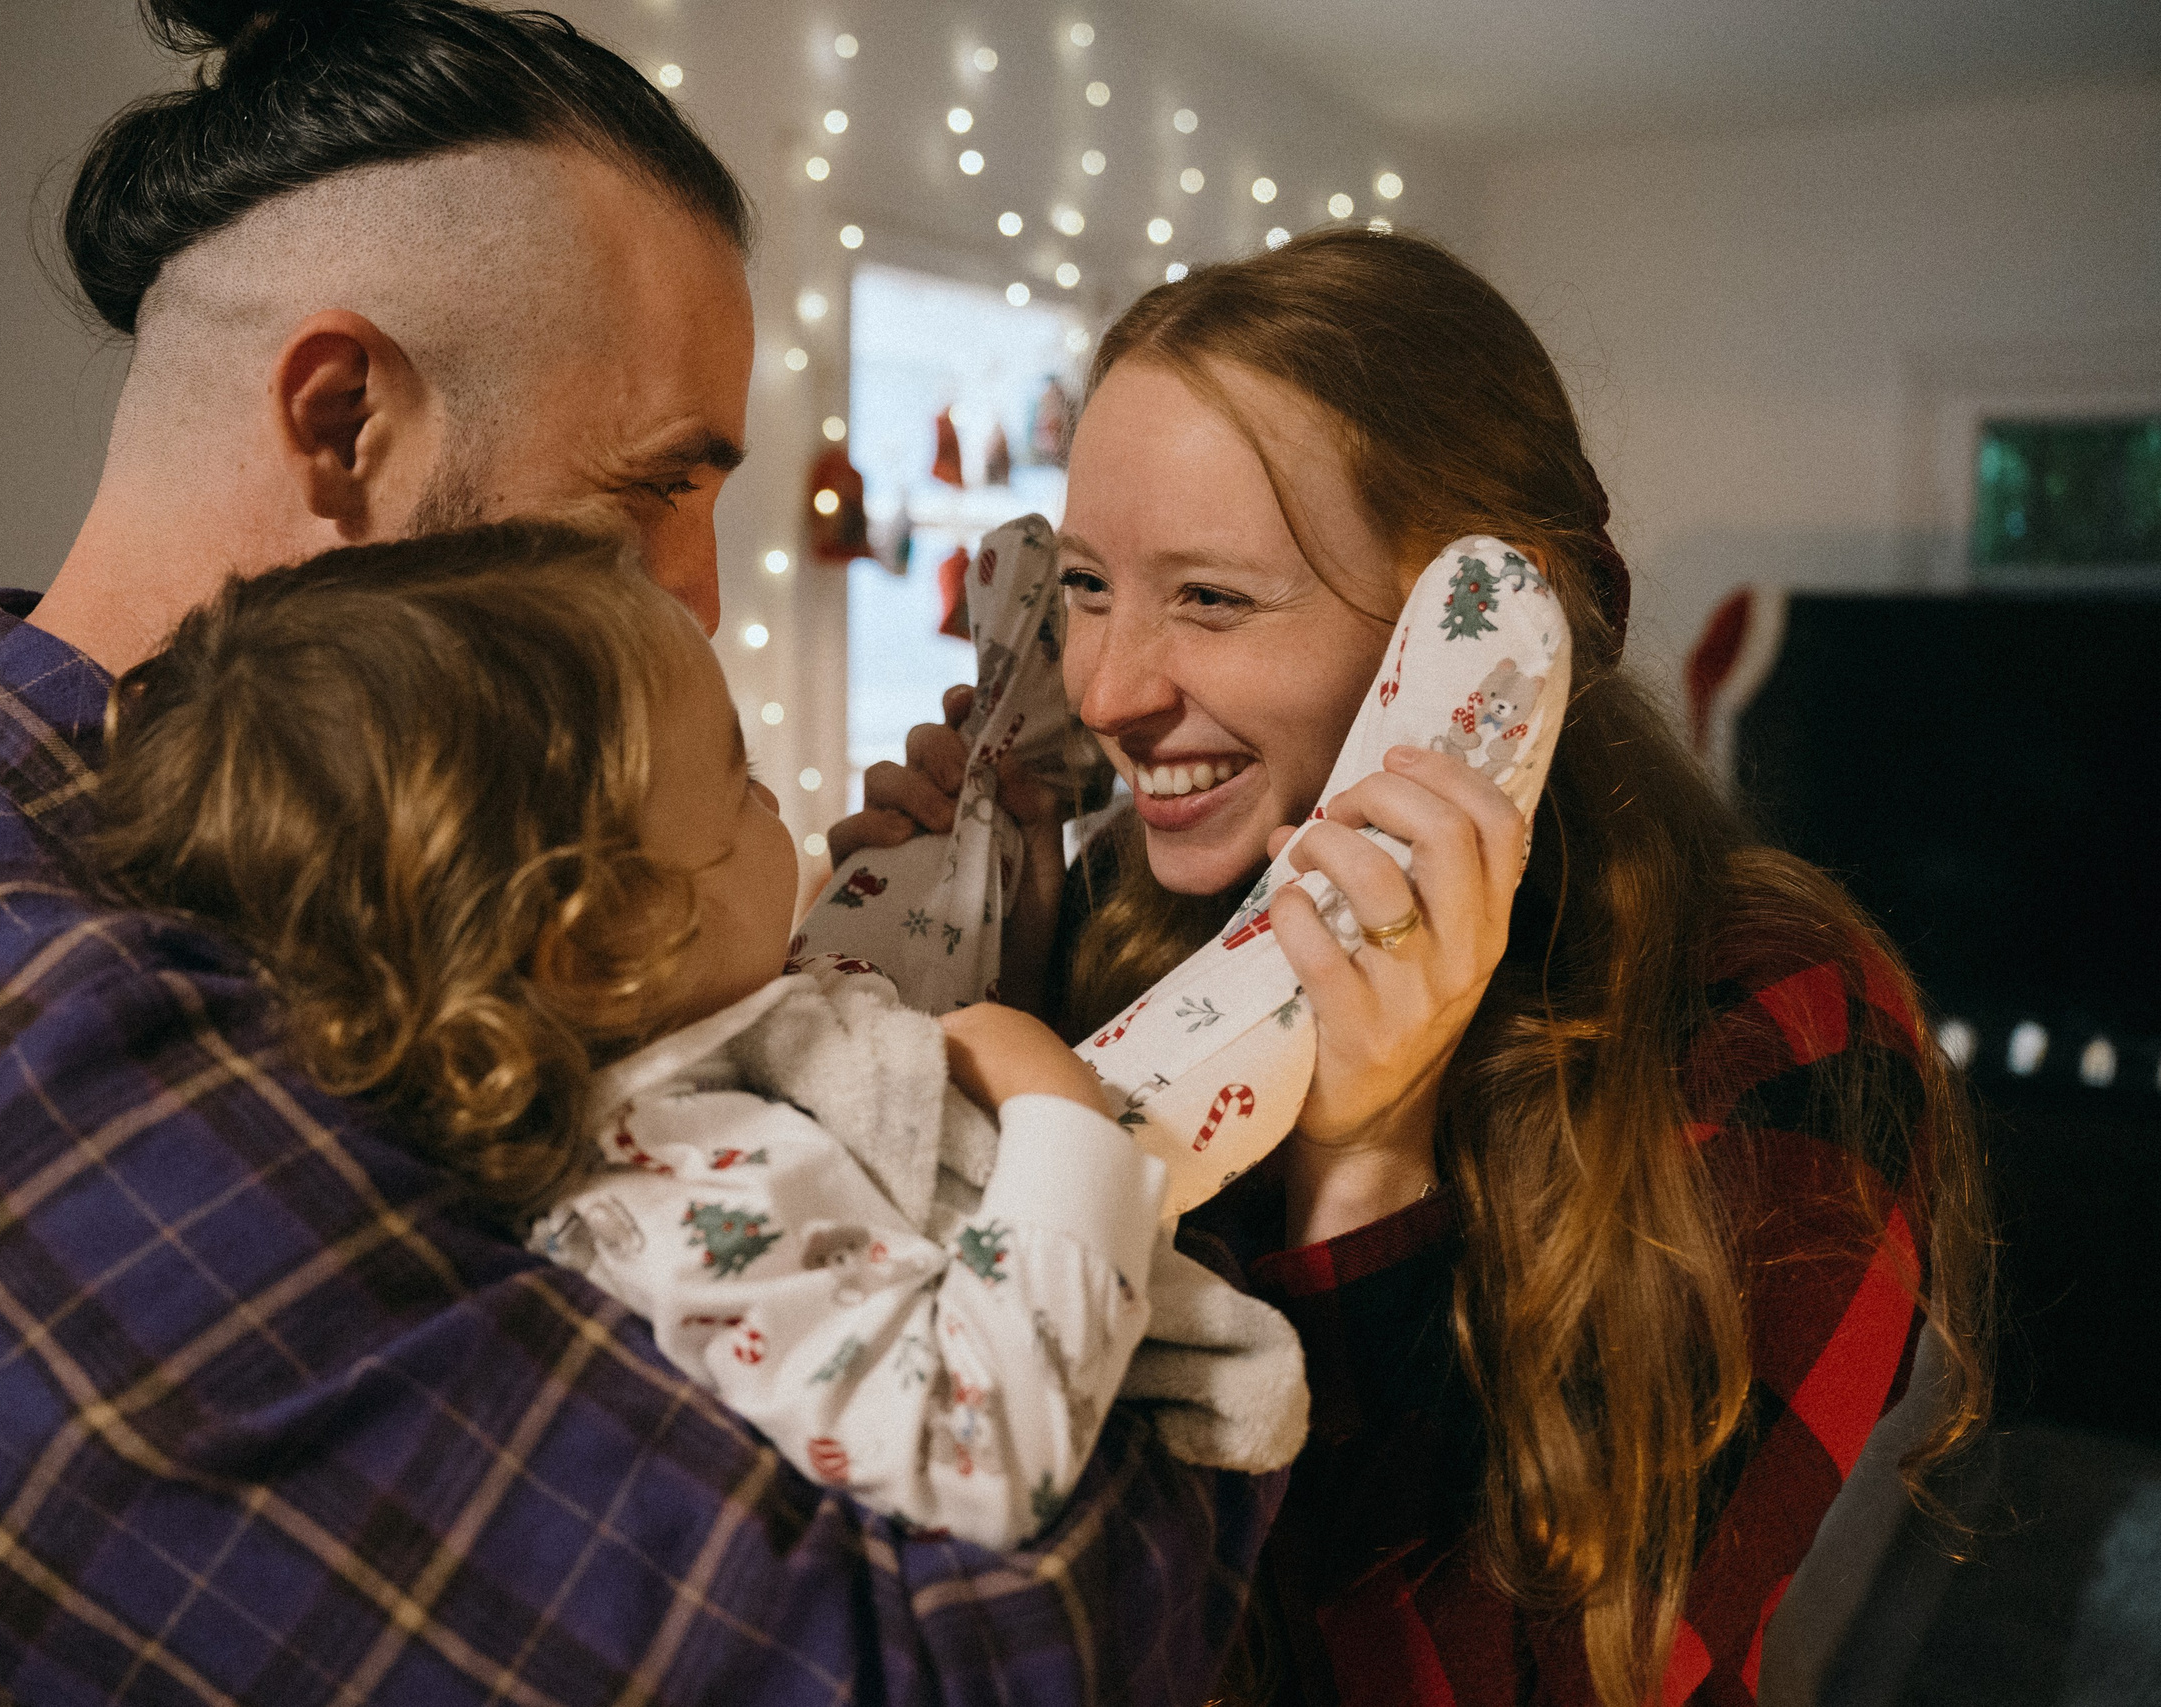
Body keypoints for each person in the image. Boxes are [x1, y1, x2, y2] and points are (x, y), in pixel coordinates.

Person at [0, 5, 1277, 1702]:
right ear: (344, 420)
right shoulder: (81, 1075)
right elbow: (937, 1671)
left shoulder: (2, 843)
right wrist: (1188, 1168)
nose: (701, 597)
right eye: (651, 489)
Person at [834, 227, 1993, 1706]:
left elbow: (1545, 1673)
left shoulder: (1780, 1023)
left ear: (1485, 643)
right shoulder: (1123, 906)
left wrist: (1366, 1175)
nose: (1111, 690)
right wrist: (948, 1006)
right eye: (1085, 584)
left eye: (1212, 598)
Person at [82, 520, 1302, 1552]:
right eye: (739, 787)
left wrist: (952, 880)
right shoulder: (675, 1210)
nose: (781, 810)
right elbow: (972, 1453)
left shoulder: (679, 1062)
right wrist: (1057, 1122)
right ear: (603, 942)